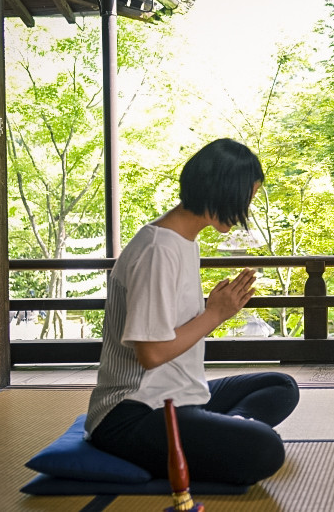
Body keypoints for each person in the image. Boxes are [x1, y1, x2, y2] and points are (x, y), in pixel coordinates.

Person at [85, 138, 299, 485]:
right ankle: (233, 435)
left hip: (180, 395)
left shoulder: (184, 241)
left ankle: (231, 430)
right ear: (223, 190)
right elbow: (150, 353)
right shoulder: (158, 250)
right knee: (265, 451)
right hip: (133, 412)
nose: (247, 208)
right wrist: (215, 314)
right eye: (248, 197)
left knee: (281, 385)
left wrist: (216, 310)